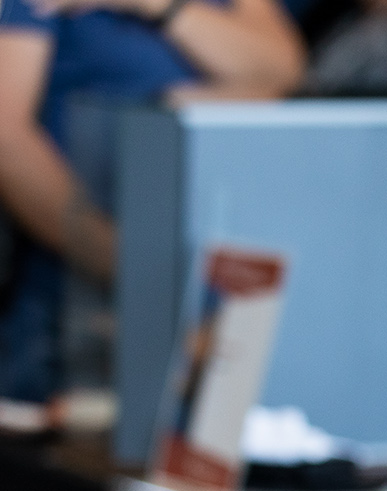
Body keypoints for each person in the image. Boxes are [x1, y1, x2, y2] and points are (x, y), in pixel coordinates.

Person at [0, 0, 301, 424]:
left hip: (218, 298)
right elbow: (6, 137)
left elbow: (280, 70)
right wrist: (136, 269)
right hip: (82, 298)